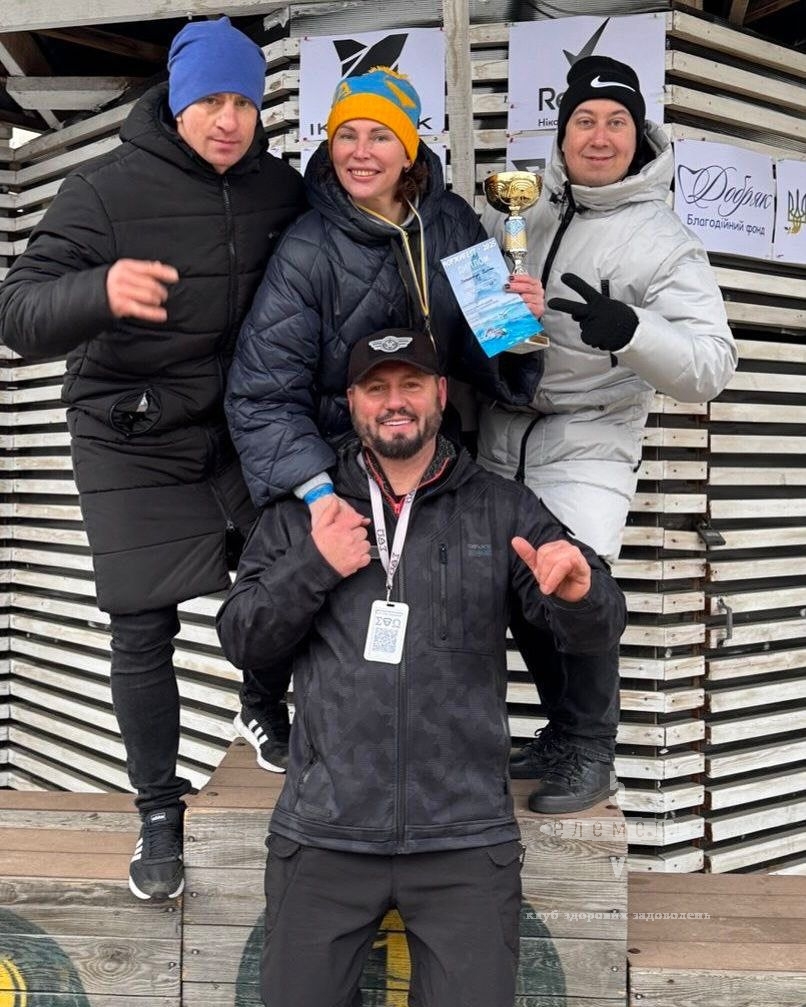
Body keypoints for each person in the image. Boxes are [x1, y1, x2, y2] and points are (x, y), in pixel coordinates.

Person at [217, 328, 627, 1007]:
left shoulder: (501, 506)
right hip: (324, 833)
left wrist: (581, 593)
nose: (394, 401)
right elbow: (242, 639)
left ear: (440, 393)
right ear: (352, 402)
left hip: (464, 838)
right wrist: (315, 565)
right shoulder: (306, 515)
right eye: (376, 387)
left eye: (410, 384)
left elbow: (596, 627)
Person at [0, 16, 306, 901]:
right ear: (177, 104)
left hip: (236, 425)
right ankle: (158, 812)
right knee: (142, 624)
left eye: (243, 101)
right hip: (127, 431)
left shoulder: (278, 189)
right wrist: (98, 289)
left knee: (286, 575)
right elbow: (18, 314)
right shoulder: (103, 190)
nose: (228, 119)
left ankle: (263, 705)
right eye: (210, 101)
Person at [480, 55, 737, 812]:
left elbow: (711, 366)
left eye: (616, 121)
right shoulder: (523, 206)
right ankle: (562, 730)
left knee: (574, 584)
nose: (599, 137)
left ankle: (592, 750)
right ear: (561, 134)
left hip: (589, 432)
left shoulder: (663, 238)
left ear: (638, 132)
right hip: (500, 422)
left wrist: (631, 331)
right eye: (584, 121)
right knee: (514, 591)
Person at [225, 65, 542, 521]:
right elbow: (262, 393)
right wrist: (317, 491)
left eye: (380, 136)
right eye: (346, 135)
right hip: (341, 474)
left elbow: (492, 345)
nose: (360, 152)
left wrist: (518, 324)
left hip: (437, 461)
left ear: (409, 152)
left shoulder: (451, 222)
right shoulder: (305, 249)